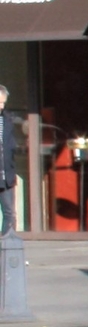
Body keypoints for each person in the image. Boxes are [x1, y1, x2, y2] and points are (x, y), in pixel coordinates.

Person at [0, 82, 18, 234]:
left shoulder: (7, 119)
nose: (1, 106)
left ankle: (6, 248)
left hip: (6, 174)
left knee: (9, 214)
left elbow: (11, 145)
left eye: (3, 103)